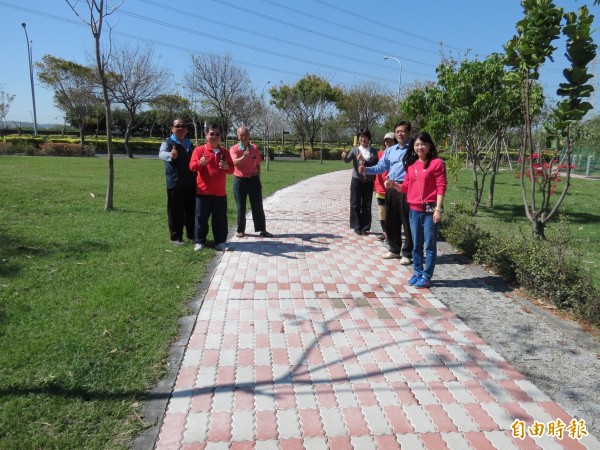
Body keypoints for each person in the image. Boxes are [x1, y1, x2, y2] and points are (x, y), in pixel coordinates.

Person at [393, 131, 447, 288]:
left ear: (429, 146)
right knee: (416, 244)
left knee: (429, 245)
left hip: (430, 210)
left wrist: (438, 209)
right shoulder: (411, 165)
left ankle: (427, 275)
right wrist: (393, 185)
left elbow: (441, 186)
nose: (419, 147)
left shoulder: (437, 163)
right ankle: (417, 272)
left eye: (423, 144)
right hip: (414, 210)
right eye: (416, 144)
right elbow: (406, 187)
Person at [360, 120, 413, 263]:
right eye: (397, 131)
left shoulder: (413, 148)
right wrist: (366, 169)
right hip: (391, 188)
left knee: (407, 221)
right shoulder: (391, 150)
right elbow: (381, 167)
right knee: (392, 221)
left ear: (408, 132)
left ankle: (407, 253)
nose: (400, 134)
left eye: (402, 131)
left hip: (406, 188)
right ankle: (394, 249)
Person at [189, 123, 235, 252]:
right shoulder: (199, 150)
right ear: (206, 135)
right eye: (212, 134)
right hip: (203, 192)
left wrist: (227, 167)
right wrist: (200, 163)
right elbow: (191, 167)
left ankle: (220, 242)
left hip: (220, 193)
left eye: (217, 134)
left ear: (221, 136)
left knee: (220, 219)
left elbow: (232, 169)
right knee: (201, 218)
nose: (215, 136)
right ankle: (200, 242)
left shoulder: (225, 152)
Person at [229, 126, 273, 238]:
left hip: (253, 180)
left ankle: (262, 229)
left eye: (246, 134)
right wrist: (244, 156)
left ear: (249, 135)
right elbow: (234, 162)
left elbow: (257, 165)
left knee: (258, 206)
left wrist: (258, 179)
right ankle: (240, 230)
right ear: (238, 136)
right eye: (241, 135)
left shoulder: (254, 148)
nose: (243, 137)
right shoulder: (234, 149)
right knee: (241, 207)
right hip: (240, 181)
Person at [158, 119, 197, 246]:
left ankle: (192, 234)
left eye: (183, 126)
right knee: (176, 212)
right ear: (172, 128)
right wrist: (171, 154)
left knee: (191, 211)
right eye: (177, 126)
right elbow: (161, 154)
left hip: (191, 183)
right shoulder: (168, 143)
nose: (181, 128)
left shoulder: (189, 144)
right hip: (175, 183)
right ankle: (176, 237)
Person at [342, 128, 378, 235]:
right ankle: (356, 226)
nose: (363, 139)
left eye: (365, 136)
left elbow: (374, 164)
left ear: (368, 138)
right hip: (356, 180)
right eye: (361, 136)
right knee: (355, 203)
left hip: (368, 181)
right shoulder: (355, 150)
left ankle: (365, 227)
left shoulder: (373, 151)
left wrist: (363, 161)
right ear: (358, 138)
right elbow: (347, 160)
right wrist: (344, 157)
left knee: (367, 204)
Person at [374, 132, 396, 242]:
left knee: (391, 212)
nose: (388, 143)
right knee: (382, 211)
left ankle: (391, 233)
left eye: (391, 140)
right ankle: (385, 233)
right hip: (380, 188)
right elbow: (375, 168)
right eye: (386, 140)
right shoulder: (380, 154)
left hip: (392, 188)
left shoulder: (397, 154)